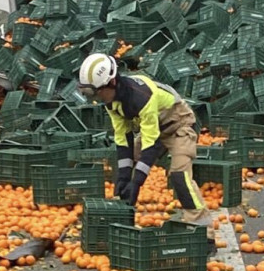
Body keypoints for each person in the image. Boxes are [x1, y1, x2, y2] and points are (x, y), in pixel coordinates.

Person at [77, 53, 214, 245]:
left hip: (178, 126)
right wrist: (124, 178)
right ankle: (123, 217)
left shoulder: (141, 96)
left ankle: (203, 233)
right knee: (124, 166)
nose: (97, 98)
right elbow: (123, 138)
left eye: (97, 92)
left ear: (112, 82)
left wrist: (137, 182)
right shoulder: (111, 102)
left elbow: (151, 144)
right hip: (154, 129)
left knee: (179, 175)